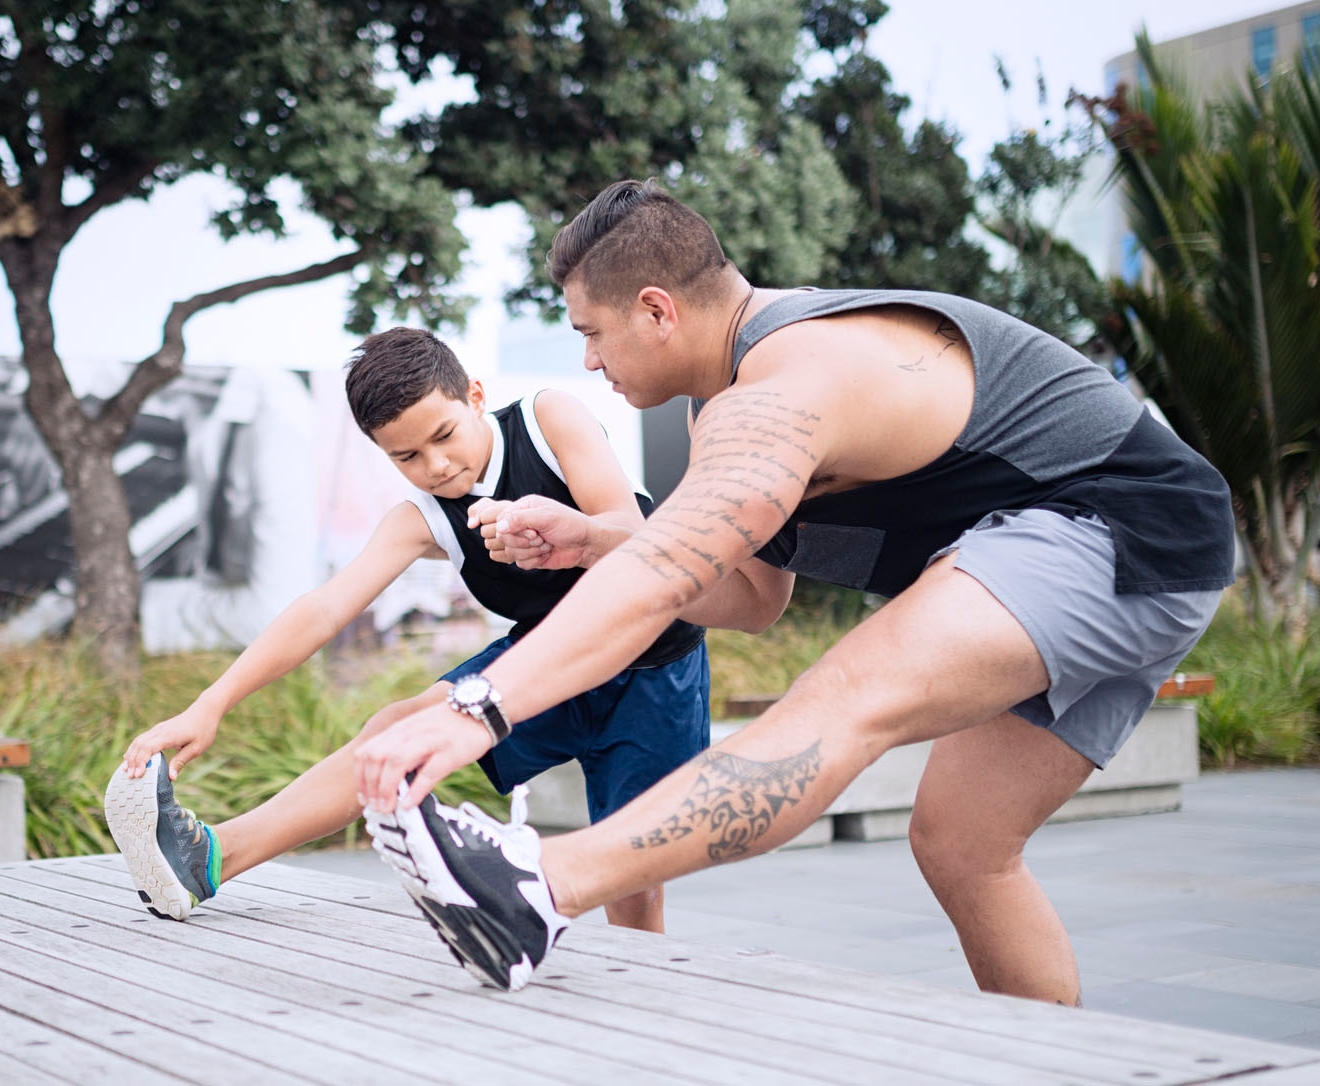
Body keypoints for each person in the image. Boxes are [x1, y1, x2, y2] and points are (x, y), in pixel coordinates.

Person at [357, 179, 1235, 999]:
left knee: (846, 695)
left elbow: (664, 575)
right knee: (965, 846)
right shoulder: (724, 403)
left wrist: (476, 706)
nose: (587, 360)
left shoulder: (783, 383)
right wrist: (593, 539)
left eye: (591, 331)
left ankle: (541, 887)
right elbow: (747, 597)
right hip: (1148, 551)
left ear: (656, 310)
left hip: (1116, 524)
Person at [104, 326, 711, 934]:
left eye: (444, 436)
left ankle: (642, 1014)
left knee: (632, 884)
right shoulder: (422, 518)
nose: (437, 466)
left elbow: (630, 536)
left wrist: (548, 528)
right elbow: (323, 609)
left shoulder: (548, 418)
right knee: (397, 730)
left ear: (475, 395)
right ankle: (206, 860)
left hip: (653, 663)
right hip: (545, 664)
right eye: (407, 457)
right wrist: (210, 705)